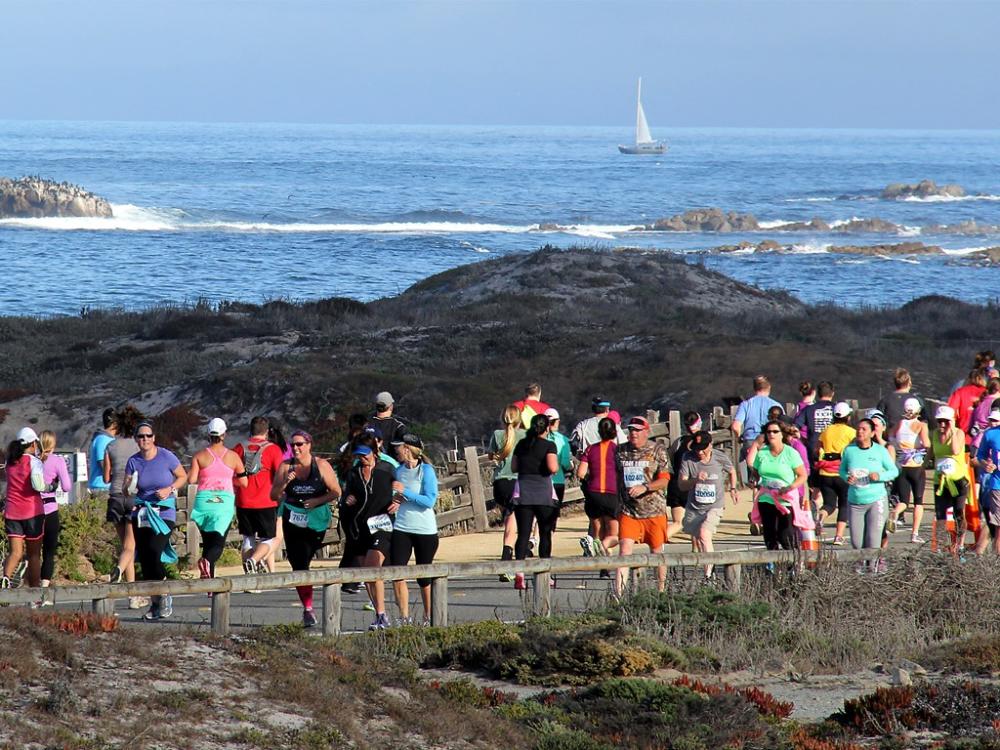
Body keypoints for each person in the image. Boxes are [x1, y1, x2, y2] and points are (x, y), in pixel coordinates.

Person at [271, 430, 341, 627]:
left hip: (316, 517)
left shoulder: (321, 465)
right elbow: (273, 495)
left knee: (306, 555)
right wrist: (285, 483)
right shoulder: (286, 467)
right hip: (293, 516)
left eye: (300, 444)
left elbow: (336, 491)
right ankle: (308, 608)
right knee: (298, 563)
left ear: (309, 445)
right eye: (293, 445)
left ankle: (309, 603)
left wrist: (317, 500)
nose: (296, 448)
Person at [123, 421, 188, 620]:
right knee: (145, 559)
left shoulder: (166, 456)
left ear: (154, 438)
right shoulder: (133, 461)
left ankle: (165, 592)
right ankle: (155, 603)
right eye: (141, 436)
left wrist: (170, 489)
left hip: (164, 512)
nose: (145, 439)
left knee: (154, 550)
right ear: (136, 439)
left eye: (148, 436)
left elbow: (182, 476)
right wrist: (129, 488)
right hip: (141, 513)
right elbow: (126, 489)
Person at [340, 436, 395, 629]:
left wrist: (398, 499)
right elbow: (347, 494)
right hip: (360, 526)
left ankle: (381, 615)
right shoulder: (354, 473)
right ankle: (379, 614)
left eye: (365, 455)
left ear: (374, 451)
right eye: (359, 455)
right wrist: (348, 499)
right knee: (367, 573)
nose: (362, 458)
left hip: (382, 524)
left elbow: (401, 486)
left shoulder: (387, 468)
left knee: (374, 567)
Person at [616, 416, 672, 591]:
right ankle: (619, 594)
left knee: (656, 552)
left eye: (638, 430)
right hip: (629, 511)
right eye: (631, 429)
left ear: (646, 432)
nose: (633, 433)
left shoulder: (657, 450)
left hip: (653, 511)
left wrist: (645, 487)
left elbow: (664, 480)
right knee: (624, 551)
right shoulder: (620, 451)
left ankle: (661, 591)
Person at [187, 418, 247, 581]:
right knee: (218, 543)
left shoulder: (199, 456)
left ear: (208, 434)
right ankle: (206, 562)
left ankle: (209, 584)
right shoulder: (234, 457)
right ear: (224, 434)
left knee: (208, 542)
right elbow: (244, 482)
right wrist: (229, 479)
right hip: (223, 501)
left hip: (204, 501)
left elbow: (192, 480)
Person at [389, 433, 439, 625]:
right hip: (402, 527)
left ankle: (429, 616)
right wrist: (397, 500)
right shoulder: (399, 471)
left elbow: (429, 500)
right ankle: (404, 617)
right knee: (397, 572)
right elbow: (401, 496)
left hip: (425, 530)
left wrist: (405, 492)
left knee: (423, 577)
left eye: (398, 447)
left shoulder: (426, 471)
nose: (395, 451)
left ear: (408, 449)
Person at [103, 406, 148, 609]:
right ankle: (119, 571)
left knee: (125, 547)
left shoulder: (110, 446)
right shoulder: (140, 447)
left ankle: (132, 596)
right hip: (133, 497)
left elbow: (106, 476)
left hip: (114, 496)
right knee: (131, 547)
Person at [678, 430, 737, 579]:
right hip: (695, 506)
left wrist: (733, 488)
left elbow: (732, 471)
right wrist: (695, 480)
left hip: (715, 505)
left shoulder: (719, 457)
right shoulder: (687, 458)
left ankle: (708, 575)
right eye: (697, 449)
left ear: (710, 445)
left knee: (704, 534)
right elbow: (681, 485)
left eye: (703, 448)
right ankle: (709, 570)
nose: (700, 452)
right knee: (700, 540)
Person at [510, 414, 559, 590]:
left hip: (523, 491)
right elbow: (553, 468)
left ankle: (519, 573)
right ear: (547, 428)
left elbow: (514, 467)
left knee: (523, 533)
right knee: (545, 533)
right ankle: (545, 573)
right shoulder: (549, 445)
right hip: (543, 492)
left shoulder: (522, 444)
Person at [841, 419, 898, 564]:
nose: (860, 432)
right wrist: (847, 477)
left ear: (872, 433)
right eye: (858, 428)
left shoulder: (880, 451)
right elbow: (841, 470)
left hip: (876, 501)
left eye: (864, 429)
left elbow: (894, 471)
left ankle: (872, 577)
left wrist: (879, 476)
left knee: (872, 543)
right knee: (856, 543)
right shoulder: (849, 450)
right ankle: (859, 576)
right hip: (855, 502)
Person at [234, 416, 285, 576]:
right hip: (266, 501)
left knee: (247, 540)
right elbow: (280, 474)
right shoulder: (273, 449)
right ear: (267, 431)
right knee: (269, 538)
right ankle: (254, 560)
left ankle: (250, 577)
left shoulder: (239, 448)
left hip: (243, 500)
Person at [747, 420, 807, 552]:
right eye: (768, 432)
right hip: (766, 498)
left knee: (786, 535)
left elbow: (803, 475)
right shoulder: (762, 452)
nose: (771, 434)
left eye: (775, 431)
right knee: (770, 535)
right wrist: (753, 480)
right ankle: (773, 568)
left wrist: (790, 487)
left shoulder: (790, 453)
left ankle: (794, 565)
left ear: (782, 434)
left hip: (785, 498)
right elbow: (756, 472)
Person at [2, 428, 50, 590]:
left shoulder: (10, 462)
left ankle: (5, 579)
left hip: (12, 512)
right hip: (32, 512)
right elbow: (38, 485)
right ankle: (35, 593)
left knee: (15, 553)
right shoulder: (33, 461)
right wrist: (50, 486)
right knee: (34, 555)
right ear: (33, 444)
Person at [577, 417, 622, 563]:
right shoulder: (618, 451)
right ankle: (601, 548)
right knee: (615, 534)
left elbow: (580, 473)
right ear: (614, 432)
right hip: (611, 494)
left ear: (599, 432)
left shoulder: (590, 449)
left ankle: (603, 564)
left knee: (598, 531)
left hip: (593, 494)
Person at [488, 405, 525, 579]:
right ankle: (507, 561)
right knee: (513, 524)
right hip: (517, 482)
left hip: (500, 484)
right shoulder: (524, 435)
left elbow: (491, 456)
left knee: (508, 521)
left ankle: (511, 555)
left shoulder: (497, 435)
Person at [814, 401, 856, 545]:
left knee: (829, 504)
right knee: (844, 504)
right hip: (842, 472)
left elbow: (817, 448)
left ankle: (821, 516)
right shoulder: (851, 432)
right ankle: (838, 536)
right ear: (848, 417)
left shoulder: (826, 430)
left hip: (825, 472)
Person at [889, 397, 930, 542]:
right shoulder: (920, 425)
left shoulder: (899, 424)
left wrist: (901, 447)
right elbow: (926, 443)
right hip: (916, 466)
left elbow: (891, 438)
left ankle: (895, 512)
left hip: (902, 465)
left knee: (904, 501)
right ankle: (914, 533)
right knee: (918, 501)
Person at [930, 406, 969, 556]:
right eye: (940, 422)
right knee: (940, 514)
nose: (942, 425)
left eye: (945, 422)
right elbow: (932, 452)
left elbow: (955, 450)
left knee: (958, 512)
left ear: (951, 421)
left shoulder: (958, 433)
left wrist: (951, 431)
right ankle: (939, 546)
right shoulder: (934, 434)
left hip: (957, 480)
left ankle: (960, 544)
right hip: (941, 481)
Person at [731, 376, 781, 486]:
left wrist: (739, 436)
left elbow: (735, 426)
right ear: (769, 387)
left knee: (753, 478)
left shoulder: (746, 404)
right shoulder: (776, 405)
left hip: (750, 441)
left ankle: (755, 495)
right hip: (769, 441)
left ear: (754, 388)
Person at [38, 431, 71, 591]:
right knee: (49, 552)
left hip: (33, 509)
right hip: (50, 508)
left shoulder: (32, 460)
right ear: (53, 444)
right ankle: (43, 590)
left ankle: (30, 584)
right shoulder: (57, 461)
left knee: (33, 551)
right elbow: (67, 487)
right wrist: (55, 482)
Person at [665, 411, 702, 537]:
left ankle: (659, 540)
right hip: (691, 485)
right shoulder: (702, 443)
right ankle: (696, 552)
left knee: (678, 522)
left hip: (675, 485)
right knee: (697, 522)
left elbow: (668, 461)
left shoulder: (678, 442)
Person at [974, 408, 1000, 555]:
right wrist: (986, 464)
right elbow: (980, 456)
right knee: (999, 528)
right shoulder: (990, 434)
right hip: (997, 484)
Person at [948, 369, 987, 445]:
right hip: (984, 438)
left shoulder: (960, 392)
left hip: (964, 437)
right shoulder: (988, 393)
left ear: (968, 379)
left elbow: (950, 413)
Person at [543, 408, 573, 506]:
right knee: (554, 514)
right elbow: (566, 463)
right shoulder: (563, 440)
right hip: (558, 481)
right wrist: (570, 467)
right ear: (558, 422)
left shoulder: (538, 439)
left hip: (541, 482)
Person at [87, 408, 117, 494]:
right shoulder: (103, 440)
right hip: (102, 488)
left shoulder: (105, 439)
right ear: (114, 424)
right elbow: (103, 465)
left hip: (105, 488)